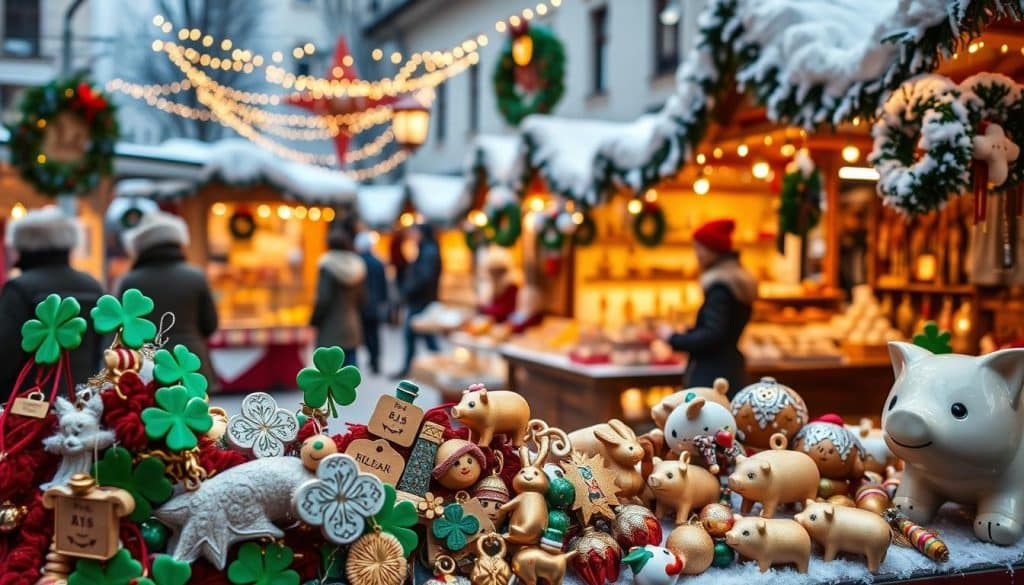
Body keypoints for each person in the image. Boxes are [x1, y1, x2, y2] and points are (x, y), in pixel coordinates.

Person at [0, 208, 104, 401]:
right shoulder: (92, 285)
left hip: (31, 402)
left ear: (23, 244)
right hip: (82, 399)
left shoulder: (20, 287)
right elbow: (101, 347)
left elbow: (5, 353)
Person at [121, 211, 219, 388]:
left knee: (153, 414)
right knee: (195, 414)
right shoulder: (195, 277)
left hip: (148, 367)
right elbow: (210, 324)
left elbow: (121, 333)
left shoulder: (130, 281)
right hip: (191, 365)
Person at [665, 219, 756, 395]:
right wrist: (689, 332)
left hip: (714, 375)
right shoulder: (734, 282)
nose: (696, 254)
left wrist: (673, 338)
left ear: (713, 250)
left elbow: (714, 335)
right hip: (729, 369)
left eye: (699, 248)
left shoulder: (720, 287)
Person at [311, 225, 366, 367]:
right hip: (352, 324)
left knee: (329, 376)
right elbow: (363, 298)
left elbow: (323, 299)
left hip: (330, 327)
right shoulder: (357, 266)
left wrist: (314, 321)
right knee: (350, 375)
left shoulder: (327, 266)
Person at [394, 223, 441, 378]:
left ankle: (433, 367)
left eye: (415, 232)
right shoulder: (427, 249)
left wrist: (408, 290)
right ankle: (413, 368)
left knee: (419, 335)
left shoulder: (428, 251)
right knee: (421, 336)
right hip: (422, 300)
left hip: (421, 301)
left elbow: (424, 278)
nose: (412, 236)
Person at [354, 231, 387, 374]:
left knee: (361, 334)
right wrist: (383, 301)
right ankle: (375, 361)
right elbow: (383, 285)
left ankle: (359, 362)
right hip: (374, 304)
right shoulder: (378, 262)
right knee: (373, 334)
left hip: (360, 304)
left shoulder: (356, 262)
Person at [478, 246, 519, 324]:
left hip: (506, 326)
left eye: (498, 271)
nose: (495, 274)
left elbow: (506, 310)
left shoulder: (511, 287)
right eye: (492, 271)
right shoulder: (489, 287)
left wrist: (485, 309)